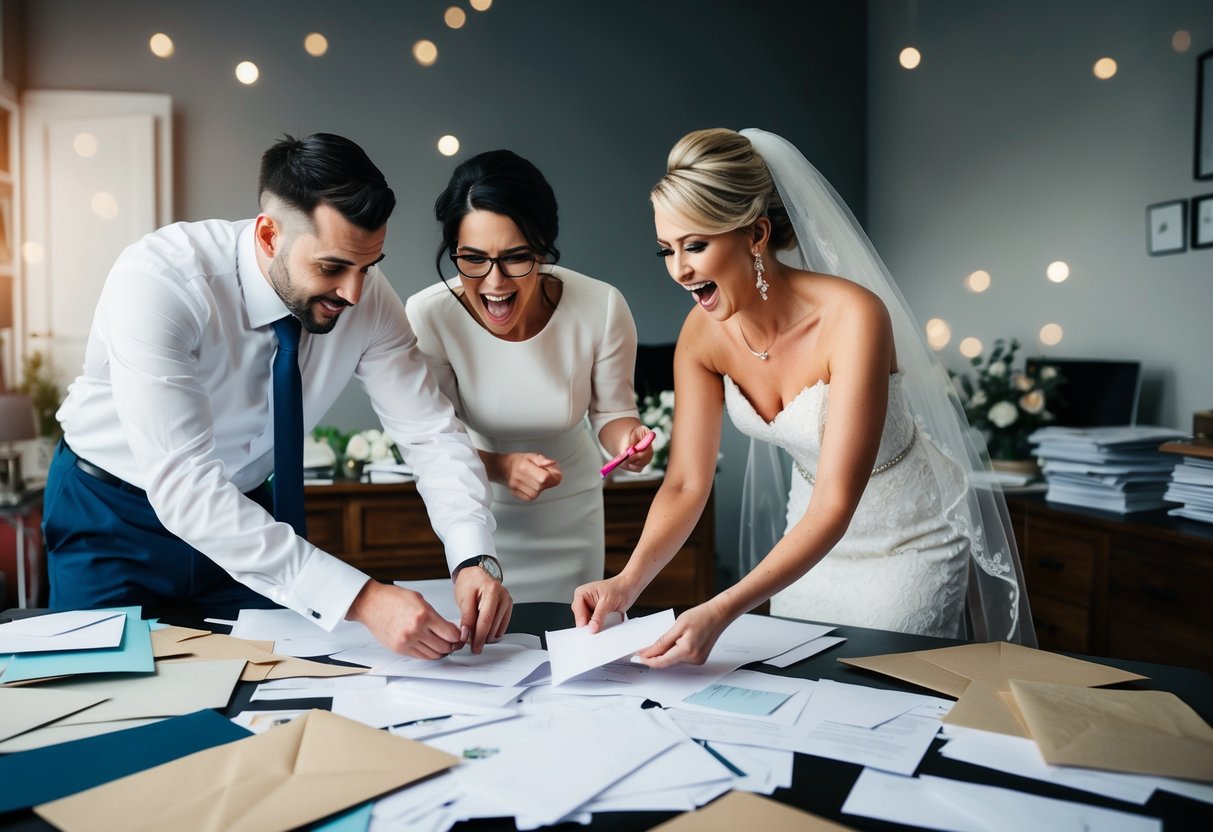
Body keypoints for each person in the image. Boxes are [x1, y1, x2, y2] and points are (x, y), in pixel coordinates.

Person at [573, 128, 1035, 666]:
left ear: (756, 234)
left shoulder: (853, 317)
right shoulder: (700, 336)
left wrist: (722, 609)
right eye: (666, 250)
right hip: (808, 540)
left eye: (695, 245)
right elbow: (683, 483)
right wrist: (627, 583)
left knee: (881, 689)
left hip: (910, 540)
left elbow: (839, 501)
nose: (679, 270)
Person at [43, 132, 511, 657]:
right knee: (100, 698)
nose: (354, 294)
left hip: (247, 516)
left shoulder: (366, 297)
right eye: (332, 267)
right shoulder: (159, 283)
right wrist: (362, 598)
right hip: (111, 516)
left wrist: (474, 556)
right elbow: (186, 489)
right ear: (268, 235)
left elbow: (429, 431)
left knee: (268, 685)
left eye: (369, 266)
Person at [405, 149, 651, 602]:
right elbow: (432, 444)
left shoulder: (602, 306)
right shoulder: (429, 316)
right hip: (480, 516)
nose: (495, 282)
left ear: (542, 249)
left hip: (573, 513)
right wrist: (501, 467)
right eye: (473, 259)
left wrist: (627, 443)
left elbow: (614, 413)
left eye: (516, 258)